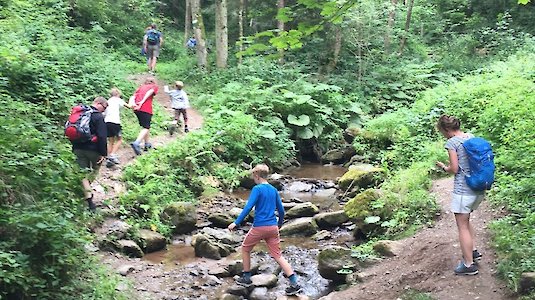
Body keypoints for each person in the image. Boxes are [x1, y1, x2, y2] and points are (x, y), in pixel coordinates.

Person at [227, 164, 302, 296]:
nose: (253, 179)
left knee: (245, 248)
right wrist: (279, 224)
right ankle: (294, 283)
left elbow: (248, 207)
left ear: (256, 176)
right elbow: (282, 210)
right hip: (273, 227)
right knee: (278, 255)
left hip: (260, 227)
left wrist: (236, 222)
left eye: (253, 176)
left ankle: (246, 277)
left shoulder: (257, 189)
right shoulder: (273, 190)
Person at [436, 115, 484, 276]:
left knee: (462, 225)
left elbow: (454, 169)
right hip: (478, 187)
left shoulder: (452, 143)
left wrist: (444, 167)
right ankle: (473, 250)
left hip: (464, 190)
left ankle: (469, 265)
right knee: (467, 219)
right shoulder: (470, 136)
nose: (442, 134)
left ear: (446, 129)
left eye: (442, 131)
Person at [71, 96, 108, 212]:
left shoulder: (80, 114)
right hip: (93, 149)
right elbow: (102, 136)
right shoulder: (98, 116)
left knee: (83, 173)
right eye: (104, 106)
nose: (104, 109)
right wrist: (103, 153)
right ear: (98, 103)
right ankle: (89, 195)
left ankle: (86, 194)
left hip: (78, 148)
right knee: (95, 170)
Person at [104, 87, 133, 167]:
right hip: (115, 122)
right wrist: (131, 99)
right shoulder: (118, 100)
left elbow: (104, 113)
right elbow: (129, 106)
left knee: (110, 141)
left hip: (107, 122)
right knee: (119, 139)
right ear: (118, 94)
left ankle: (109, 157)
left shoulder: (108, 101)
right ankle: (112, 155)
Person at [130, 77, 158, 155]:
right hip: (145, 108)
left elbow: (133, 96)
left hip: (136, 109)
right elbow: (150, 91)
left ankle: (147, 144)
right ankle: (137, 142)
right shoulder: (154, 86)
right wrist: (142, 101)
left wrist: (132, 104)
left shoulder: (141, 87)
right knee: (146, 127)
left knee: (145, 126)